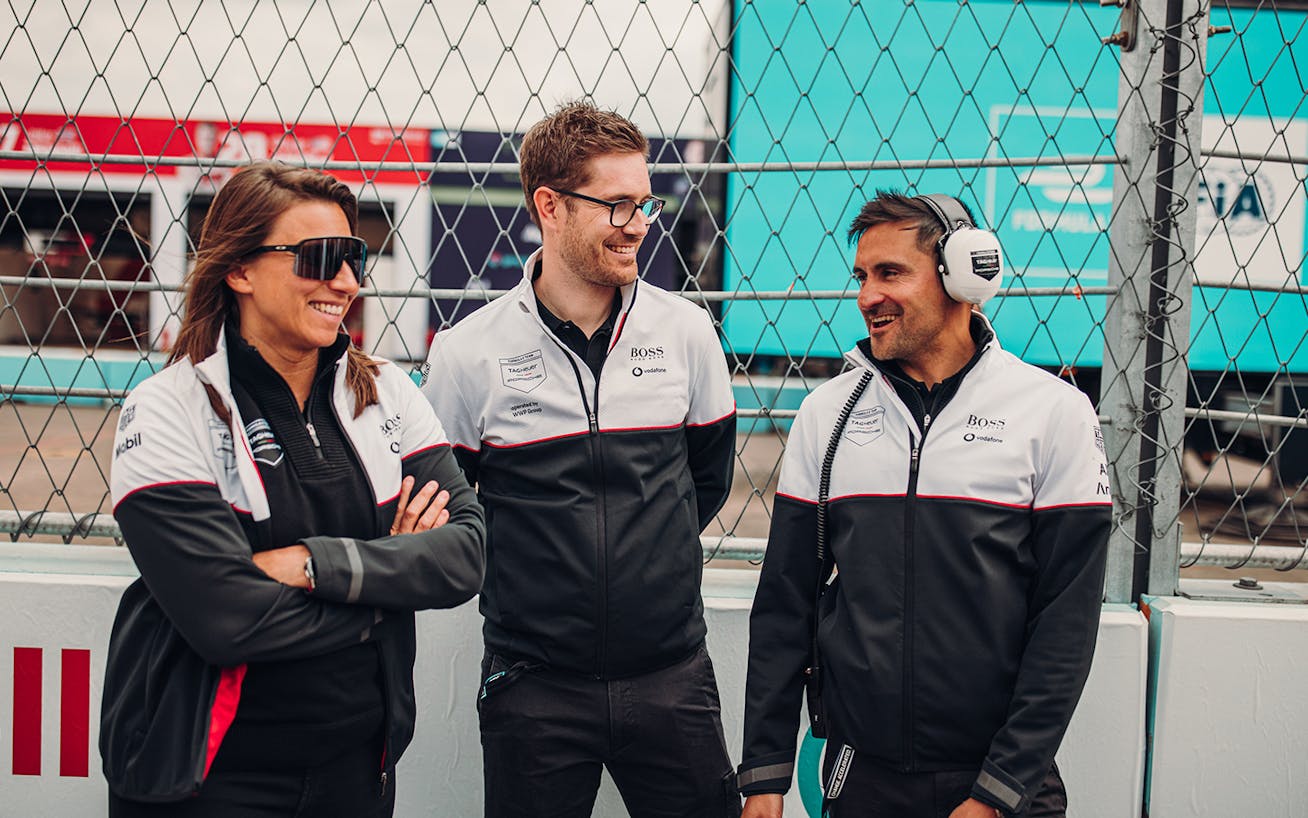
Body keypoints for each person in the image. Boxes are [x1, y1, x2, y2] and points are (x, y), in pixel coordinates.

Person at [102, 161, 486, 818]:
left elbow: (466, 554)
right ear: (240, 269)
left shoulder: (386, 392)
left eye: (354, 257)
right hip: (210, 777)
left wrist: (315, 565)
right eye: (318, 258)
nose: (345, 281)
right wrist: (388, 588)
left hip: (356, 771)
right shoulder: (169, 410)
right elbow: (226, 619)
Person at [738, 191, 1112, 818]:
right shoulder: (825, 415)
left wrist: (995, 795)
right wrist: (765, 775)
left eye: (890, 273)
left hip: (1000, 782)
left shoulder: (1053, 413)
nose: (866, 297)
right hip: (860, 778)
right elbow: (785, 604)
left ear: (962, 275)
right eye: (861, 276)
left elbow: (1065, 626)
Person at [421, 100, 740, 818]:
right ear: (550, 206)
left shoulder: (687, 332)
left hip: (672, 678)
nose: (637, 224)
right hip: (534, 685)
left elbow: (706, 480)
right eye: (617, 204)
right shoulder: (470, 352)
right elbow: (451, 507)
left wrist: (644, 560)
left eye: (646, 203)